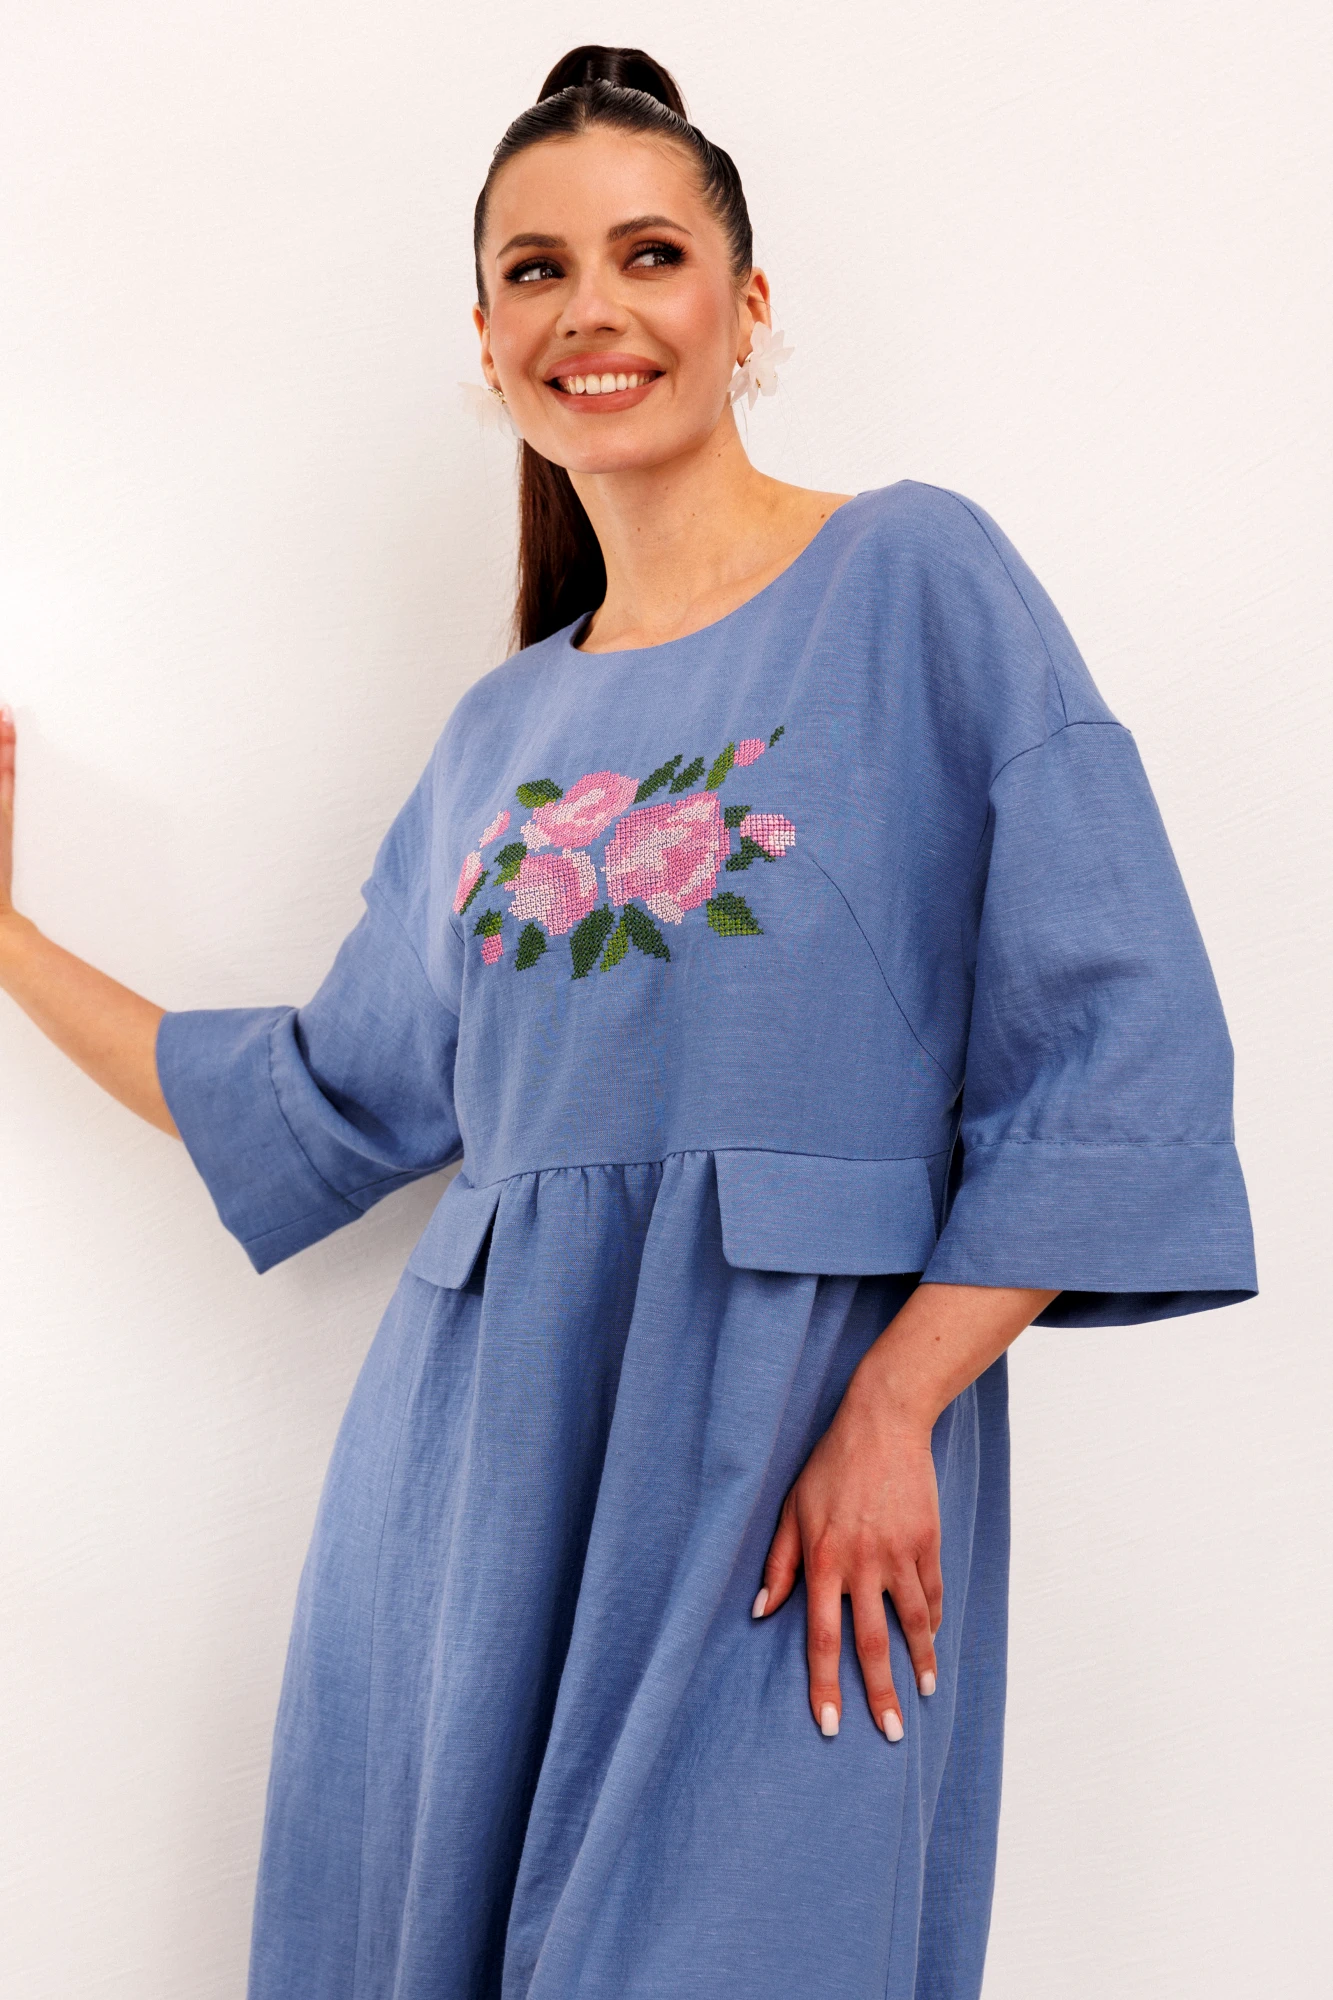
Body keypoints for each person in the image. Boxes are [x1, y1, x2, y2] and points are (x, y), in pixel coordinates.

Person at [0, 43, 1256, 2000]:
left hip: (794, 1493)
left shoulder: (915, 579)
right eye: (536, 269)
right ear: (486, 342)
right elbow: (314, 1099)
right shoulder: (500, 731)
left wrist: (896, 1409)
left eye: (649, 254)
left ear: (747, 307)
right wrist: (3, 934)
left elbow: (1125, 1040)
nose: (592, 307)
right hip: (469, 1514)